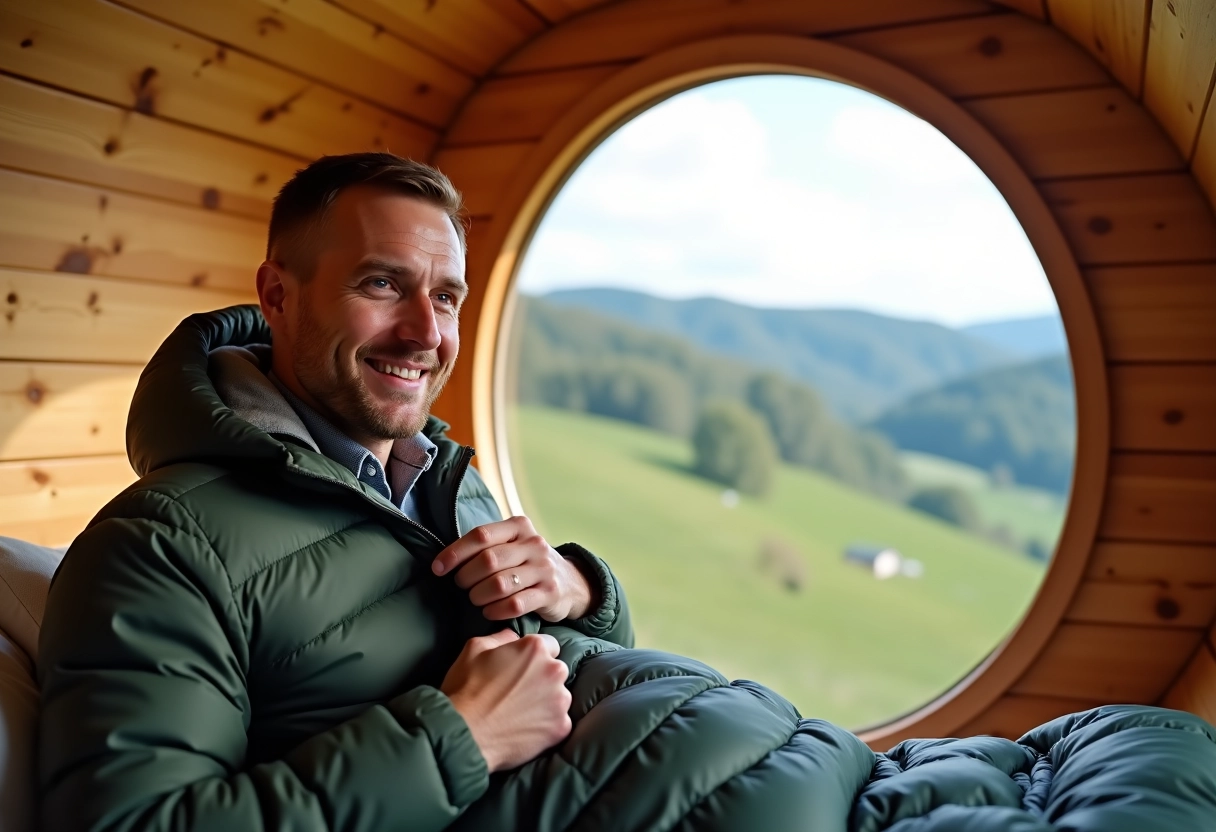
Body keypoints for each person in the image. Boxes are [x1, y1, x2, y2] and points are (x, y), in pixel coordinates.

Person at [37, 153, 634, 831]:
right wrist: (458, 740)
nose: (427, 334)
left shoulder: (455, 482)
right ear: (277, 295)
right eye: (382, 284)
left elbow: (579, 682)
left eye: (445, 297)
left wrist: (581, 590)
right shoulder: (160, 546)